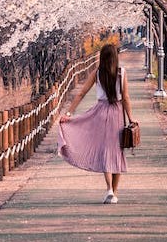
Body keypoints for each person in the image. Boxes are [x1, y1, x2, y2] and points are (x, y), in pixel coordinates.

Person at [58, 43, 135, 204]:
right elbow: (126, 98)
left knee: (105, 150)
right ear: (115, 57)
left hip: (100, 112)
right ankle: (114, 192)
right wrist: (131, 118)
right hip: (117, 114)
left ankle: (108, 190)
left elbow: (81, 93)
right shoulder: (122, 73)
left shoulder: (97, 73)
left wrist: (69, 113)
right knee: (117, 151)